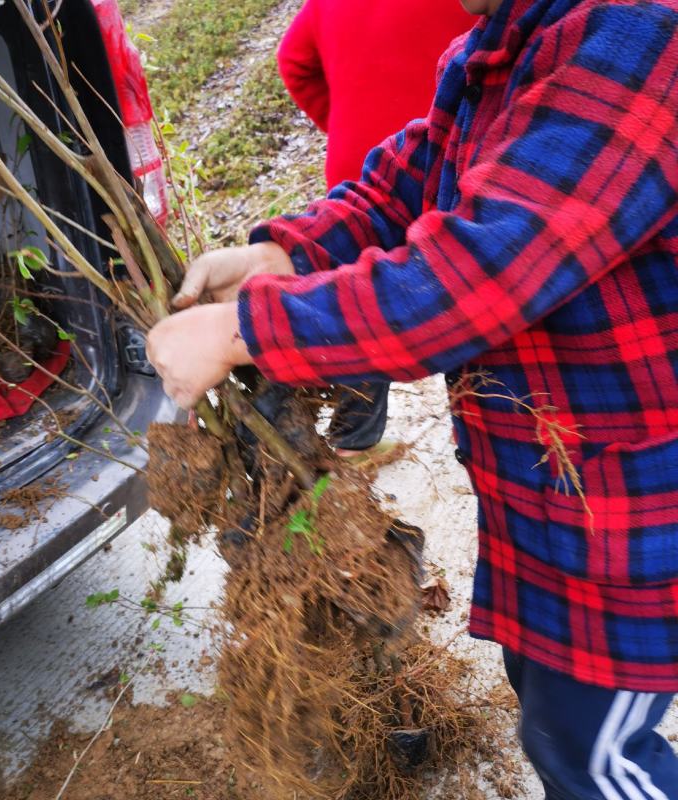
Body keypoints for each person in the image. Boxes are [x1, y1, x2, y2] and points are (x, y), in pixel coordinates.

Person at [149, 0, 678, 796]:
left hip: (634, 516)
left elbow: (478, 272)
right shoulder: (507, 46)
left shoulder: (641, 43)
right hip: (552, 505)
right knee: (552, 718)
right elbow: (413, 183)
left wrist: (245, 332)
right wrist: (282, 254)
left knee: (593, 757)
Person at [275, 0, 470, 458]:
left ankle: (352, 442)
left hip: (361, 172)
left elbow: (294, 62)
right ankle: (475, 434)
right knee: (464, 286)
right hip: (451, 162)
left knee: (360, 291)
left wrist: (344, 121)